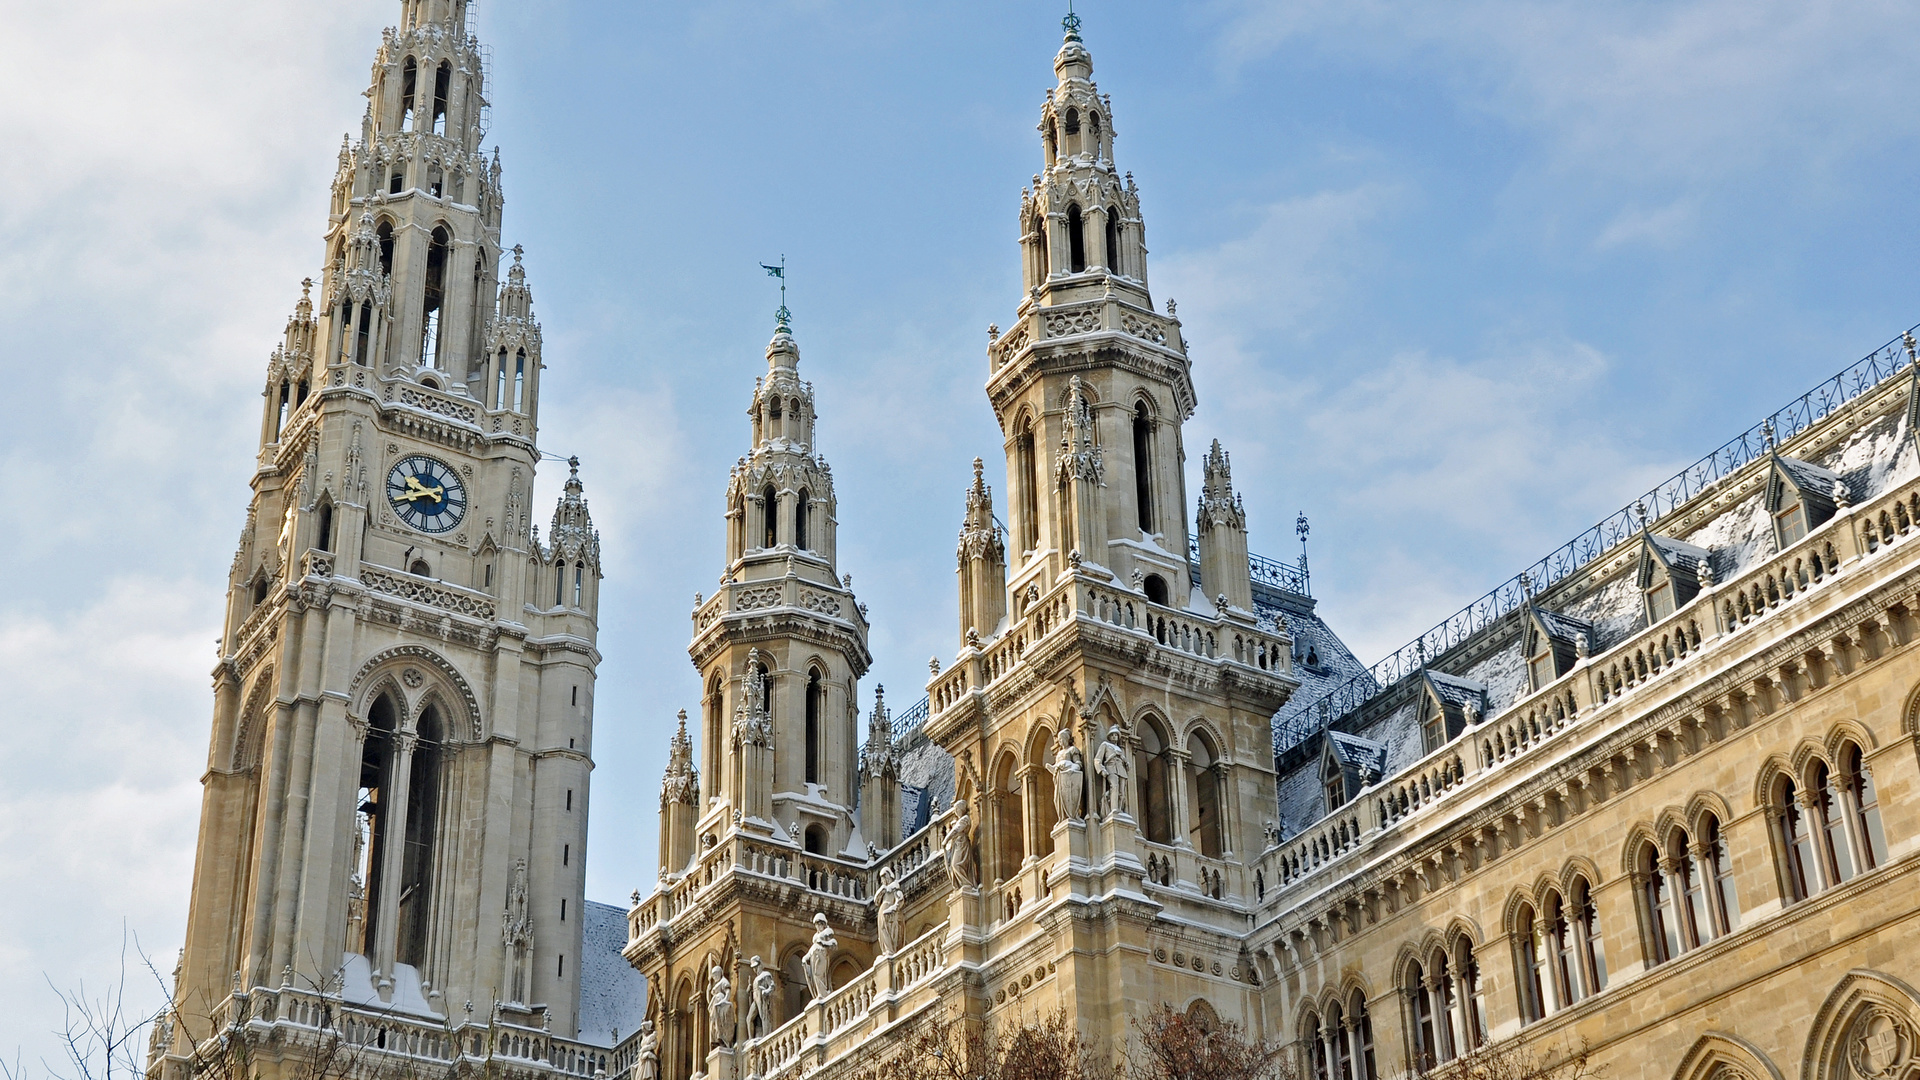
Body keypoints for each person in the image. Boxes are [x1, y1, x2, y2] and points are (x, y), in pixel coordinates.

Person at [1093, 727, 1131, 818]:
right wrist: (1101, 769)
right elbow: (1097, 759)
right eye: (1112, 735)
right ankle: (1114, 809)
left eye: (1116, 735)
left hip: (1121, 769)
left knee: (1122, 792)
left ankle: (1120, 808)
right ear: (1109, 737)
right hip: (1111, 768)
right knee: (1114, 787)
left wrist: (1127, 763)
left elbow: (1124, 760)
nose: (1114, 737)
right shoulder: (1105, 745)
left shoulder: (1119, 749)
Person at [1051, 727, 1085, 821]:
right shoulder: (1059, 753)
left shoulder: (1072, 750)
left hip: (1069, 778)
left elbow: (1078, 764)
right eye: (1059, 740)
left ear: (1067, 739)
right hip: (1059, 779)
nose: (1060, 742)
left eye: (1062, 739)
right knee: (1057, 799)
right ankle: (1062, 817)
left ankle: (1072, 816)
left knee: (1069, 798)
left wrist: (1069, 767)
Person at [802, 913, 837, 1000]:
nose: (818, 926)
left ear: (824, 924)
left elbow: (834, 944)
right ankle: (820, 993)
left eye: (820, 924)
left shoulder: (828, 932)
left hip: (822, 955)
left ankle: (823, 993)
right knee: (814, 976)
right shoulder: (815, 936)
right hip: (814, 956)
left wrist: (823, 943)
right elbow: (812, 949)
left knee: (819, 974)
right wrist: (806, 957)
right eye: (816, 925)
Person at [944, 799, 977, 889]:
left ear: (961, 809)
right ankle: (963, 884)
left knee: (956, 865)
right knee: (954, 866)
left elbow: (956, 830)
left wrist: (946, 839)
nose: (955, 812)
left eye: (957, 810)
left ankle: (966, 884)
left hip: (962, 844)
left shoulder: (965, 819)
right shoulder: (961, 820)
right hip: (958, 844)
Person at [746, 955, 777, 1040]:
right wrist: (749, 990)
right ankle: (750, 1038)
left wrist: (766, 992)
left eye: (756, 967)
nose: (755, 970)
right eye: (753, 968)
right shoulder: (756, 979)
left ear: (760, 965)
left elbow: (772, 986)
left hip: (762, 997)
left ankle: (766, 1035)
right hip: (755, 998)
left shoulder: (765, 975)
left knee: (764, 1016)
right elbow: (754, 990)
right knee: (749, 1018)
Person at [875, 866, 904, 955]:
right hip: (882, 912)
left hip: (889, 912)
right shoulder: (884, 889)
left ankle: (890, 949)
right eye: (882, 878)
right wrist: (882, 890)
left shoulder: (894, 887)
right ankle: (887, 949)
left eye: (885, 877)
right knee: (883, 930)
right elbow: (876, 901)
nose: (884, 879)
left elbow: (900, 899)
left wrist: (894, 908)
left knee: (890, 931)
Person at [708, 965, 736, 1048]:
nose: (714, 977)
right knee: (713, 1024)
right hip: (715, 1006)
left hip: (720, 1003)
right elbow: (709, 1000)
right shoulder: (717, 984)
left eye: (716, 974)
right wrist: (708, 990)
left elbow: (728, 992)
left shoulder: (724, 981)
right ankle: (715, 1040)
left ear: (720, 973)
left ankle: (722, 1040)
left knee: (718, 1023)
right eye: (713, 975)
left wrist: (724, 1000)